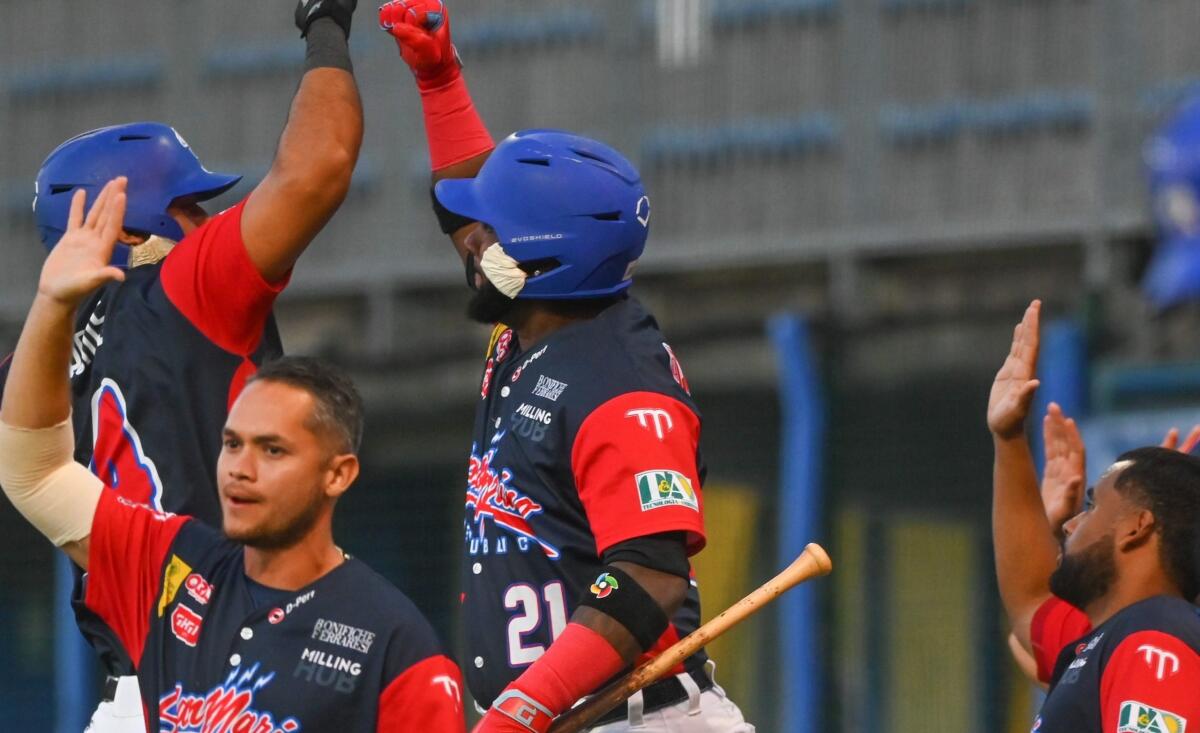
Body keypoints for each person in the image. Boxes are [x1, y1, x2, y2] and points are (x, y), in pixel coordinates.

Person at [379, 3, 754, 730]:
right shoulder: (534, 311)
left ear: (544, 260)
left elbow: (649, 574)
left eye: (492, 235)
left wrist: (523, 704)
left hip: (641, 719)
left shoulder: (623, 387)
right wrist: (438, 80)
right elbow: (464, 211)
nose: (470, 242)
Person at [0, 1, 364, 727]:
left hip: (128, 696)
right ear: (131, 227)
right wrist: (326, 23)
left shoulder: (29, 368)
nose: (207, 222)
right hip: (228, 677)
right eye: (189, 205)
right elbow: (318, 165)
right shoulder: (183, 287)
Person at [0, 179, 466, 731]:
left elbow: (320, 170)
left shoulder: (394, 640)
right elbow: (37, 473)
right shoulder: (170, 562)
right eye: (231, 443)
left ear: (338, 474)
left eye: (273, 450)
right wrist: (53, 305)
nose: (241, 468)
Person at [988, 300, 1200, 731]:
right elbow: (1030, 599)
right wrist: (1007, 438)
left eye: (1091, 506)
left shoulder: (1155, 637)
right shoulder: (1112, 638)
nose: (1071, 524)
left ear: (1137, 525)